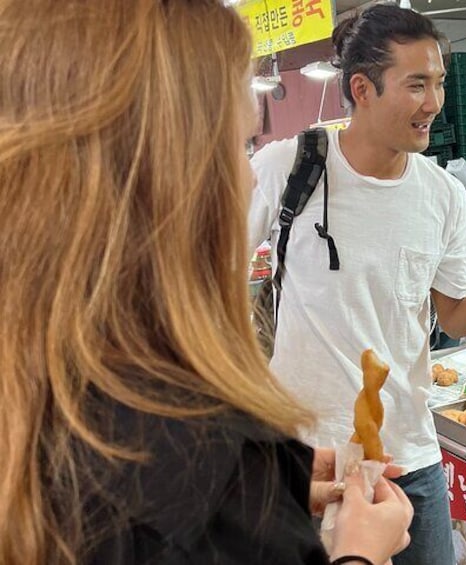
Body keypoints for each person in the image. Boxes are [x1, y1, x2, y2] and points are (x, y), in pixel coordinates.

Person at [0, 1, 413, 564]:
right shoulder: (190, 452)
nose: (247, 179)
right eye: (240, 146)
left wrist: (278, 477)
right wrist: (360, 554)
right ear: (163, 178)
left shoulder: (44, 390)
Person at [248, 4, 466, 563]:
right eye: (416, 84)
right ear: (362, 89)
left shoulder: (440, 193)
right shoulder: (289, 167)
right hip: (305, 452)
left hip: (408, 455)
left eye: (440, 83)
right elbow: (203, 283)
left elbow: (455, 316)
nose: (434, 104)